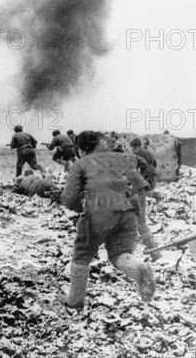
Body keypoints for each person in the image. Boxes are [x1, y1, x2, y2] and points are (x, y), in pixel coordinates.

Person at [58, 131, 156, 310]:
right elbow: (142, 166)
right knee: (120, 254)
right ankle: (138, 268)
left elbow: (68, 198)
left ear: (81, 149)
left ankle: (75, 300)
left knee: (81, 256)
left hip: (97, 215)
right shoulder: (124, 157)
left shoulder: (80, 164)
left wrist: (80, 207)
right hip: (126, 213)